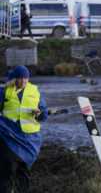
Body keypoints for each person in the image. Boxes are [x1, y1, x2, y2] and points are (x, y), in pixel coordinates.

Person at [0, 65, 48, 193]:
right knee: (7, 169)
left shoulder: (35, 92)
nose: (23, 81)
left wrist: (39, 113)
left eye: (26, 79)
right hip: (8, 137)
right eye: (20, 78)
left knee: (24, 172)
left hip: (29, 140)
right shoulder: (4, 92)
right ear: (15, 79)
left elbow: (44, 114)